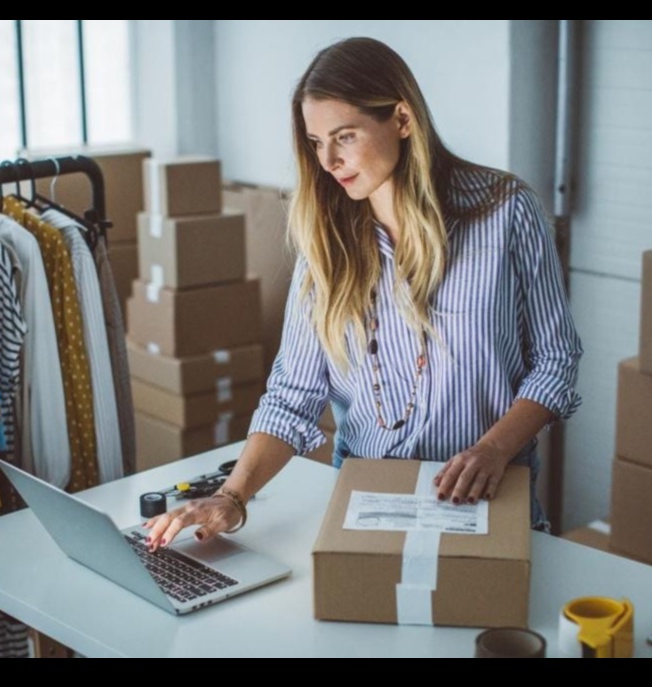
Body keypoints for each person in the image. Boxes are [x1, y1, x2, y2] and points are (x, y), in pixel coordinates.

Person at [144, 37, 582, 549]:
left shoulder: (506, 211)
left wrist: (493, 449)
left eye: (344, 136)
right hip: (368, 499)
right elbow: (292, 396)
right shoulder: (326, 244)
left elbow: (556, 360)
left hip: (487, 494)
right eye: (315, 142)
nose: (328, 160)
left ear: (401, 119)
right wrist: (232, 497)